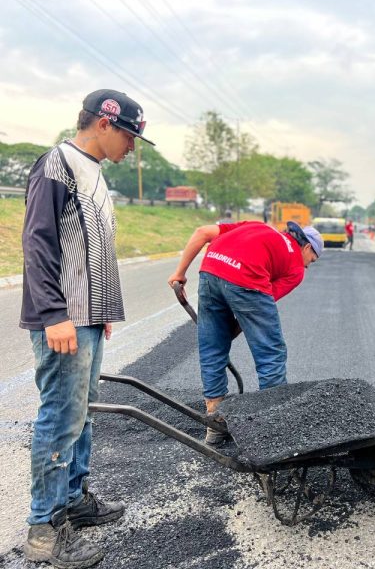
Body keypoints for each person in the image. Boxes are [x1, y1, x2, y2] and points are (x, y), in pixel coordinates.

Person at [20, 89, 155, 568]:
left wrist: (101, 313)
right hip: (64, 320)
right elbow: (38, 242)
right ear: (104, 123)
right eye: (130, 136)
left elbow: (92, 250)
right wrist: (55, 313)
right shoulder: (58, 163)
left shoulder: (93, 174)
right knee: (61, 417)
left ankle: (73, 499)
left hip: (88, 319)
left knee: (83, 415)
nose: (133, 148)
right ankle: (45, 528)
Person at [168, 220, 323, 444]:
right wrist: (233, 329)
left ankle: (215, 424)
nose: (308, 265)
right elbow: (258, 306)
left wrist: (179, 274)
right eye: (312, 260)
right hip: (247, 278)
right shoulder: (296, 269)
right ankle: (273, 427)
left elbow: (202, 232)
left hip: (211, 270)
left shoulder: (257, 226)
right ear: (307, 248)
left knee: (212, 348)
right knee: (271, 352)